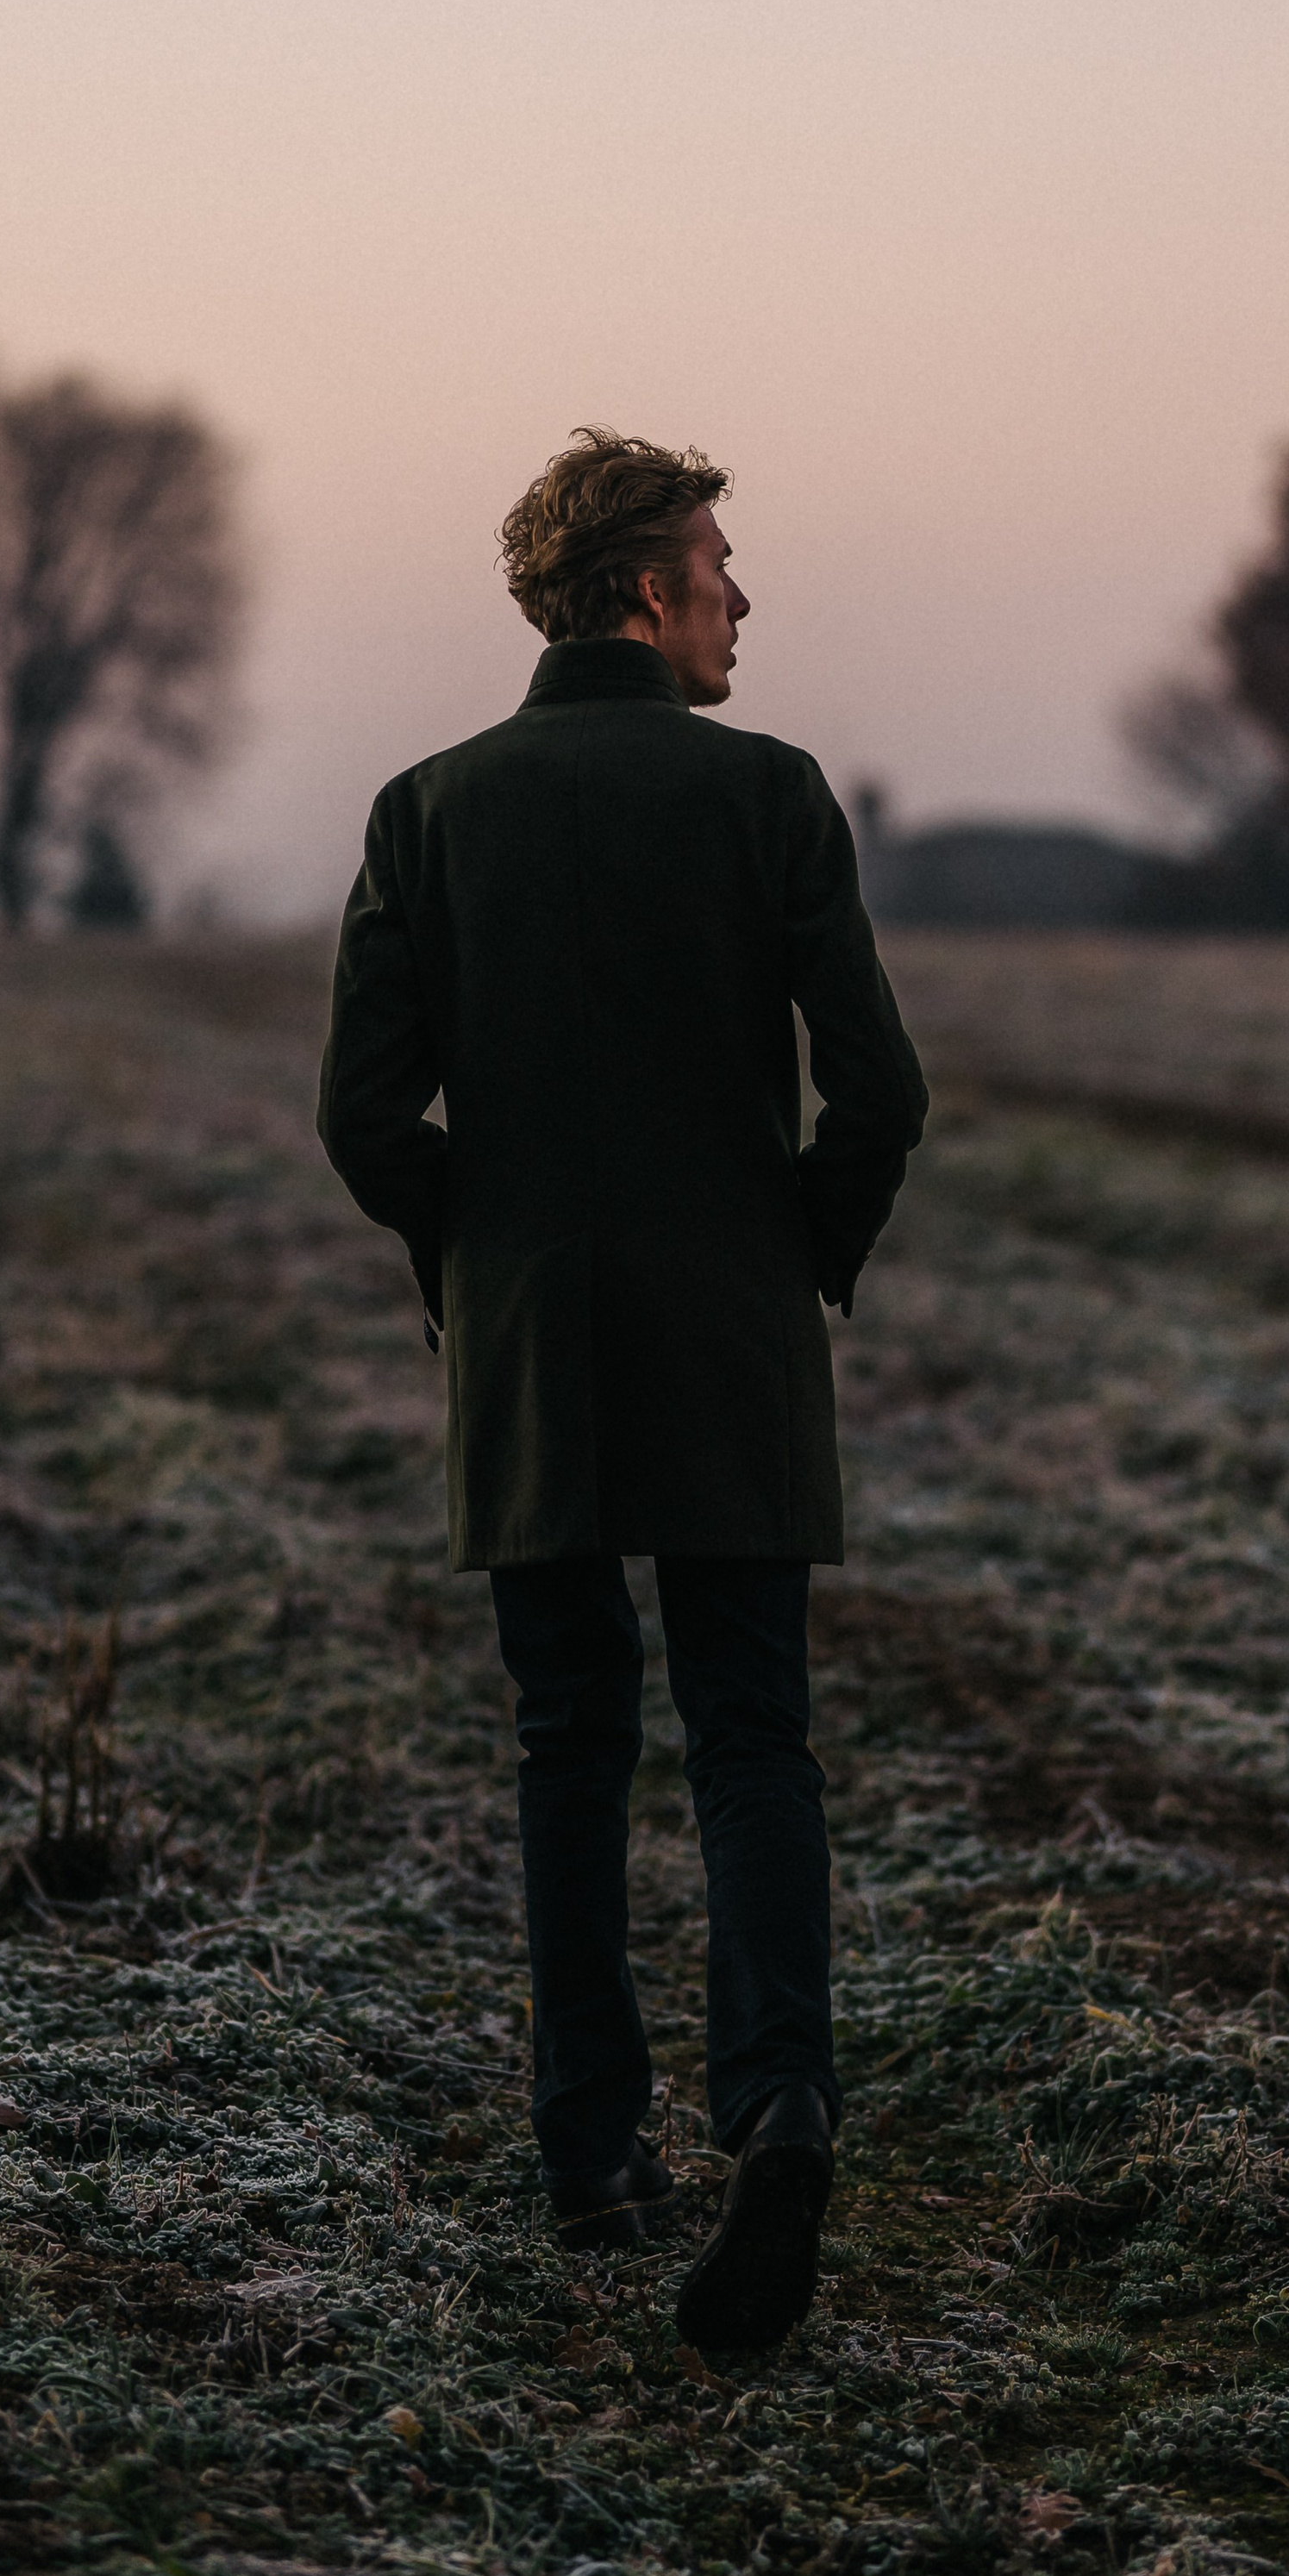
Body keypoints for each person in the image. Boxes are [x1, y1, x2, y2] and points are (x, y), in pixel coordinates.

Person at [319, 428, 927, 2350]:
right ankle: (779, 2107)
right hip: (729, 1335)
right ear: (642, 591)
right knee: (751, 1737)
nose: (744, 598)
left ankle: (589, 2150)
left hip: (531, 1346)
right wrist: (794, 1260)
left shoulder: (424, 812)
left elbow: (361, 1115)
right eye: (719, 565)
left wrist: (469, 1262)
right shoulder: (770, 799)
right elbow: (880, 1093)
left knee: (565, 1738)